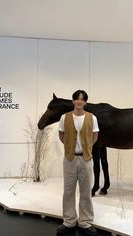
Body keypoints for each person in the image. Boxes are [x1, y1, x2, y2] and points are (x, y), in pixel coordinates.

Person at [57, 90, 99, 236]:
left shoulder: (92, 118)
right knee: (68, 191)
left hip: (86, 159)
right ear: (73, 101)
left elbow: (95, 136)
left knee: (86, 191)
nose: (79, 101)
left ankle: (85, 222)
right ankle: (69, 221)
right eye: (77, 99)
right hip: (69, 159)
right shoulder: (64, 117)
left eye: (82, 99)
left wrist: (86, 148)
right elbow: (61, 135)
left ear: (85, 102)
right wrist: (70, 148)